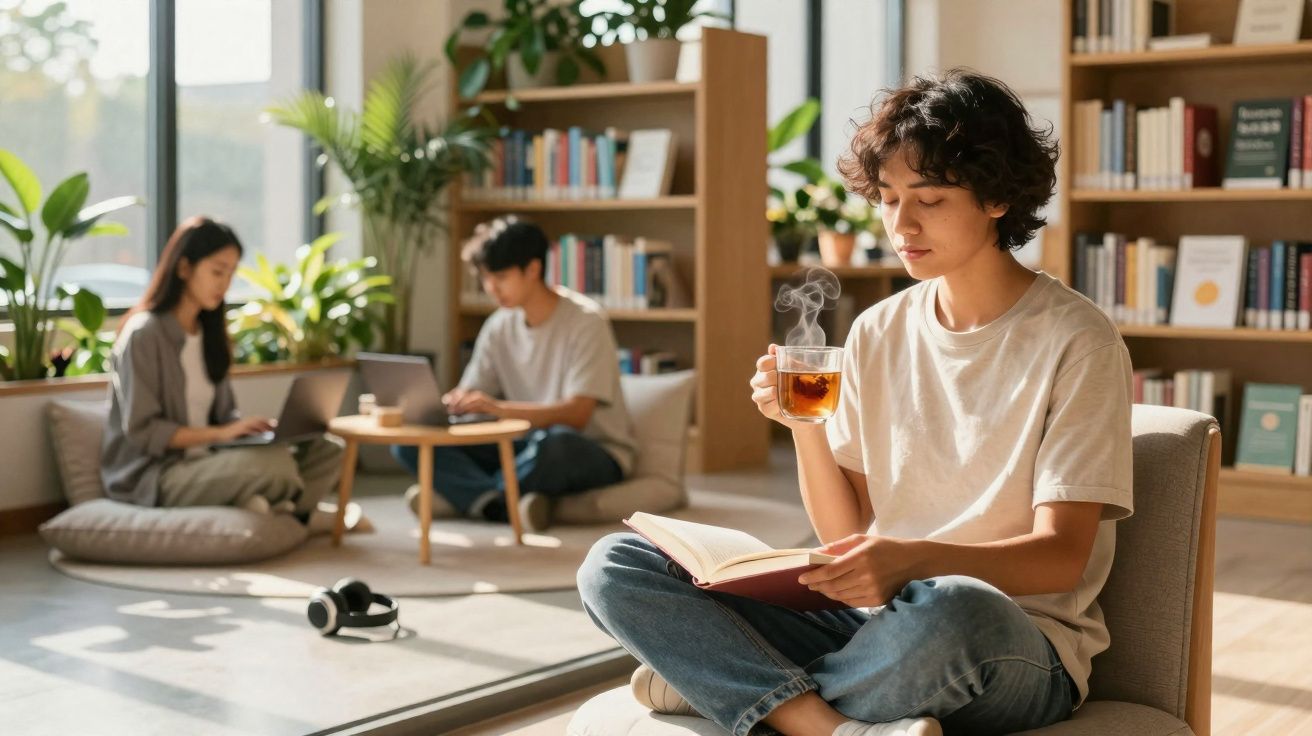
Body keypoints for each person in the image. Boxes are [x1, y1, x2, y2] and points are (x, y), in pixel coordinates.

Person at [577, 69, 1134, 736]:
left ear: (995, 199)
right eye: (889, 198)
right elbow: (845, 536)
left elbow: (1059, 557)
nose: (901, 224)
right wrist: (804, 426)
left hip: (1008, 639)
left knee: (952, 607)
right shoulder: (878, 329)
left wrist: (915, 560)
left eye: (927, 199)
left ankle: (737, 692)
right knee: (617, 564)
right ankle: (829, 726)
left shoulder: (1078, 339)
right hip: (878, 623)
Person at [101, 216, 355, 530]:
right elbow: (143, 430)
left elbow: (223, 415)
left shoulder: (209, 333)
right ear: (184, 269)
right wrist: (222, 435)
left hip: (211, 459)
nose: (225, 283)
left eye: (232, 273)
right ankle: (285, 513)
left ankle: (269, 511)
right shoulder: (143, 335)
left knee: (328, 450)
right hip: (157, 474)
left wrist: (252, 432)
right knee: (273, 466)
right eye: (217, 271)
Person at [393, 217, 637, 532]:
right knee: (410, 442)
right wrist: (450, 405)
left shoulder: (586, 321)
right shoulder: (499, 325)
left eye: (501, 277)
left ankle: (468, 496)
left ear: (533, 269)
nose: (491, 288)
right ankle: (496, 502)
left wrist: (500, 410)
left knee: (556, 445)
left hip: (589, 449)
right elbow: (473, 392)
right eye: (485, 278)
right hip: (522, 446)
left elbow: (577, 415)